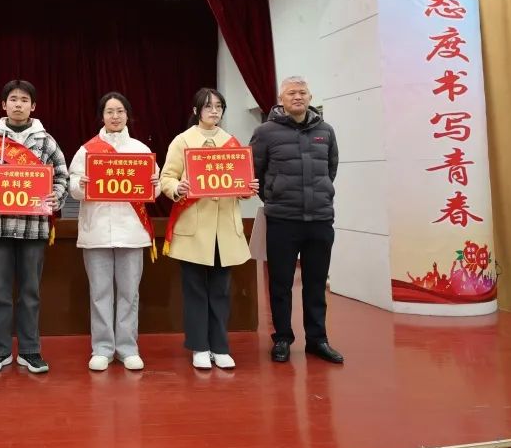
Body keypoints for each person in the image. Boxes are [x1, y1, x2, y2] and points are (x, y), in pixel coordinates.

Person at [0, 80, 69, 374]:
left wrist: (56, 196)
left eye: (24, 100)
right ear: (4, 105)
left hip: (33, 228)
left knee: (30, 292)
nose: (18, 104)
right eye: (13, 99)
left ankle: (30, 350)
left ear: (33, 106)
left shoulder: (46, 142)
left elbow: (62, 177)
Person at [159, 87, 258, 370]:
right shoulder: (183, 141)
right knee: (194, 291)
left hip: (224, 229)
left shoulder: (231, 143)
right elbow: (167, 177)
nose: (214, 111)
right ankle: (199, 346)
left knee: (221, 290)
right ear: (196, 111)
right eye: (208, 106)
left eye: (218, 106)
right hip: (194, 227)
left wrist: (248, 188)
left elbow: (241, 180)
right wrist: (177, 187)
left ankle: (220, 346)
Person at [250, 76, 343, 364]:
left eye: (302, 92)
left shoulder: (325, 131)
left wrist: (318, 196)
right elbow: (255, 171)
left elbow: (330, 169)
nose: (298, 97)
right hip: (282, 220)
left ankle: (317, 339)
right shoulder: (265, 132)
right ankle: (282, 338)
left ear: (310, 97)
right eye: (291, 92)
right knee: (280, 284)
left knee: (316, 283)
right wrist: (275, 197)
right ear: (281, 99)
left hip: (320, 219)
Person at [68, 92, 159, 372]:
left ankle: (128, 348)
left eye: (120, 111)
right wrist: (80, 184)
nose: (115, 116)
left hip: (131, 231)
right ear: (102, 116)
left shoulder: (140, 149)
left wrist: (153, 184)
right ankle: (102, 348)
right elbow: (73, 187)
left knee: (129, 294)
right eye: (109, 111)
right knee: (100, 293)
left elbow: (153, 188)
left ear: (127, 115)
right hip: (96, 231)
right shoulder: (87, 150)